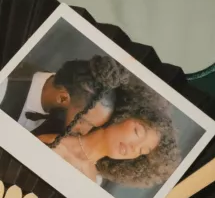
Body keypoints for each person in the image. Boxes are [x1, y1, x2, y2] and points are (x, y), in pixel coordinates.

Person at [38, 81, 181, 189]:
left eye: (142, 151)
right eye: (138, 132)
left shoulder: (94, 184)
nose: (134, 148)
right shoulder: (49, 126)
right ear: (124, 114)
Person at [0, 56, 129, 135]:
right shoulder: (4, 82)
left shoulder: (54, 127)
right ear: (63, 98)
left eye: (91, 127)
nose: (84, 132)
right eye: (83, 121)